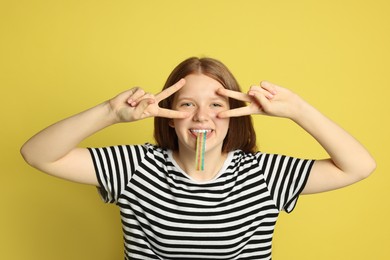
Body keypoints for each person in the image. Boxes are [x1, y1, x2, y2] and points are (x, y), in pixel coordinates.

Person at [21, 57, 376, 259]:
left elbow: (359, 166)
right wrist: (109, 112)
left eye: (217, 105)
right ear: (168, 113)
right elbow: (37, 155)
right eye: (187, 104)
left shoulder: (266, 173)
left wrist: (298, 110)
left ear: (235, 112)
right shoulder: (134, 167)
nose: (202, 117)